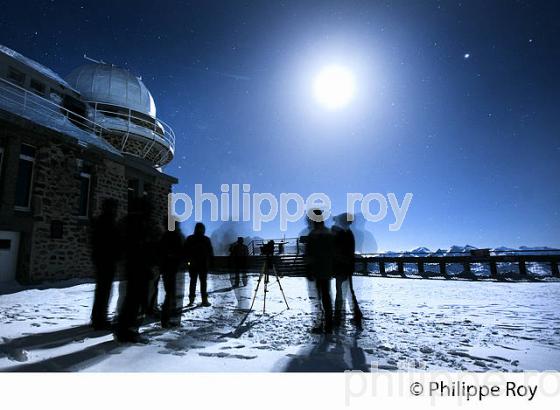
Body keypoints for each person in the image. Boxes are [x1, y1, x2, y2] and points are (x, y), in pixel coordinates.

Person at [115, 197, 160, 343]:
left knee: (132, 300)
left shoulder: (129, 222)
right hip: (139, 266)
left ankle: (126, 329)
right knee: (134, 301)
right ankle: (127, 330)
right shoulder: (139, 224)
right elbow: (143, 246)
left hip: (135, 266)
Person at [90, 198, 121, 330]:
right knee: (104, 290)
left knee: (102, 290)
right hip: (106, 260)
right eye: (114, 207)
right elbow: (112, 242)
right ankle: (100, 319)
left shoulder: (101, 221)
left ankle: (98, 317)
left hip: (101, 259)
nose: (116, 210)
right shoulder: (108, 222)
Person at [305, 210, 335, 333]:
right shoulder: (328, 233)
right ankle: (328, 324)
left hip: (318, 270)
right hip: (327, 269)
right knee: (326, 296)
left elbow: (309, 254)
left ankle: (323, 324)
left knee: (321, 297)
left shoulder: (313, 234)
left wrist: (309, 270)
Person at [332, 213, 362, 329]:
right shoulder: (348, 234)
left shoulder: (343, 234)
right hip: (346, 268)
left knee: (340, 294)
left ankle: (338, 319)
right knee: (348, 293)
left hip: (341, 269)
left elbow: (337, 252)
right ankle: (356, 316)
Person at [158, 220, 185, 328]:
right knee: (170, 295)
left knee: (171, 295)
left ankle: (170, 319)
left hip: (170, 269)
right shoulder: (172, 236)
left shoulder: (167, 236)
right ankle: (167, 320)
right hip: (170, 269)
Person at [184, 222, 214, 307]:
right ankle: (203, 300)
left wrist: (188, 262)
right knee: (202, 283)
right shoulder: (206, 239)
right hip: (202, 265)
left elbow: (185, 252)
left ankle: (192, 300)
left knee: (193, 282)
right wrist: (211, 263)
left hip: (194, 265)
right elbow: (210, 252)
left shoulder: (190, 238)